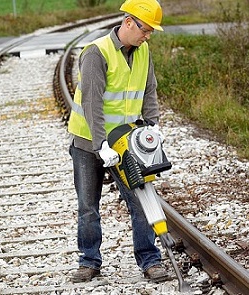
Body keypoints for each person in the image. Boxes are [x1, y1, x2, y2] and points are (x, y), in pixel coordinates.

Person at [67, 0, 168, 284]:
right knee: (88, 206)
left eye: (150, 32)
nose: (148, 36)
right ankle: (89, 261)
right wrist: (101, 144)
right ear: (128, 22)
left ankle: (150, 260)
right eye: (145, 30)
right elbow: (91, 103)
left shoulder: (143, 50)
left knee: (140, 199)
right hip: (89, 143)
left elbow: (149, 91)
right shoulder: (96, 53)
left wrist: (153, 127)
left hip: (126, 141)